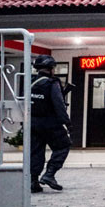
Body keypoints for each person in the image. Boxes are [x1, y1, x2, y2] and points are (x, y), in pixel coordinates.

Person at [29, 55, 71, 193]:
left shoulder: (30, 82)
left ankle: (33, 182)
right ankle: (49, 174)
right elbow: (58, 104)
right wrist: (67, 122)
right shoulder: (52, 83)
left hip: (33, 122)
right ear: (50, 68)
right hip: (50, 123)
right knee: (63, 145)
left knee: (36, 151)